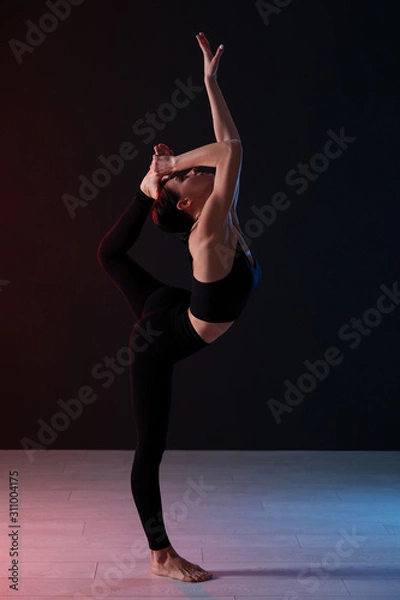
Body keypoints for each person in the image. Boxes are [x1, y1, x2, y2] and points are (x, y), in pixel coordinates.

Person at [96, 32, 262, 583]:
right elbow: (228, 152)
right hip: (158, 338)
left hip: (172, 306)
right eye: (187, 179)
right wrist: (166, 169)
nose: (199, 171)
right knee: (152, 446)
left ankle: (141, 194)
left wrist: (211, 86)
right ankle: (160, 554)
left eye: (188, 173)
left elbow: (227, 142)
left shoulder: (214, 211)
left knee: (109, 255)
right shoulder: (208, 232)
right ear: (187, 201)